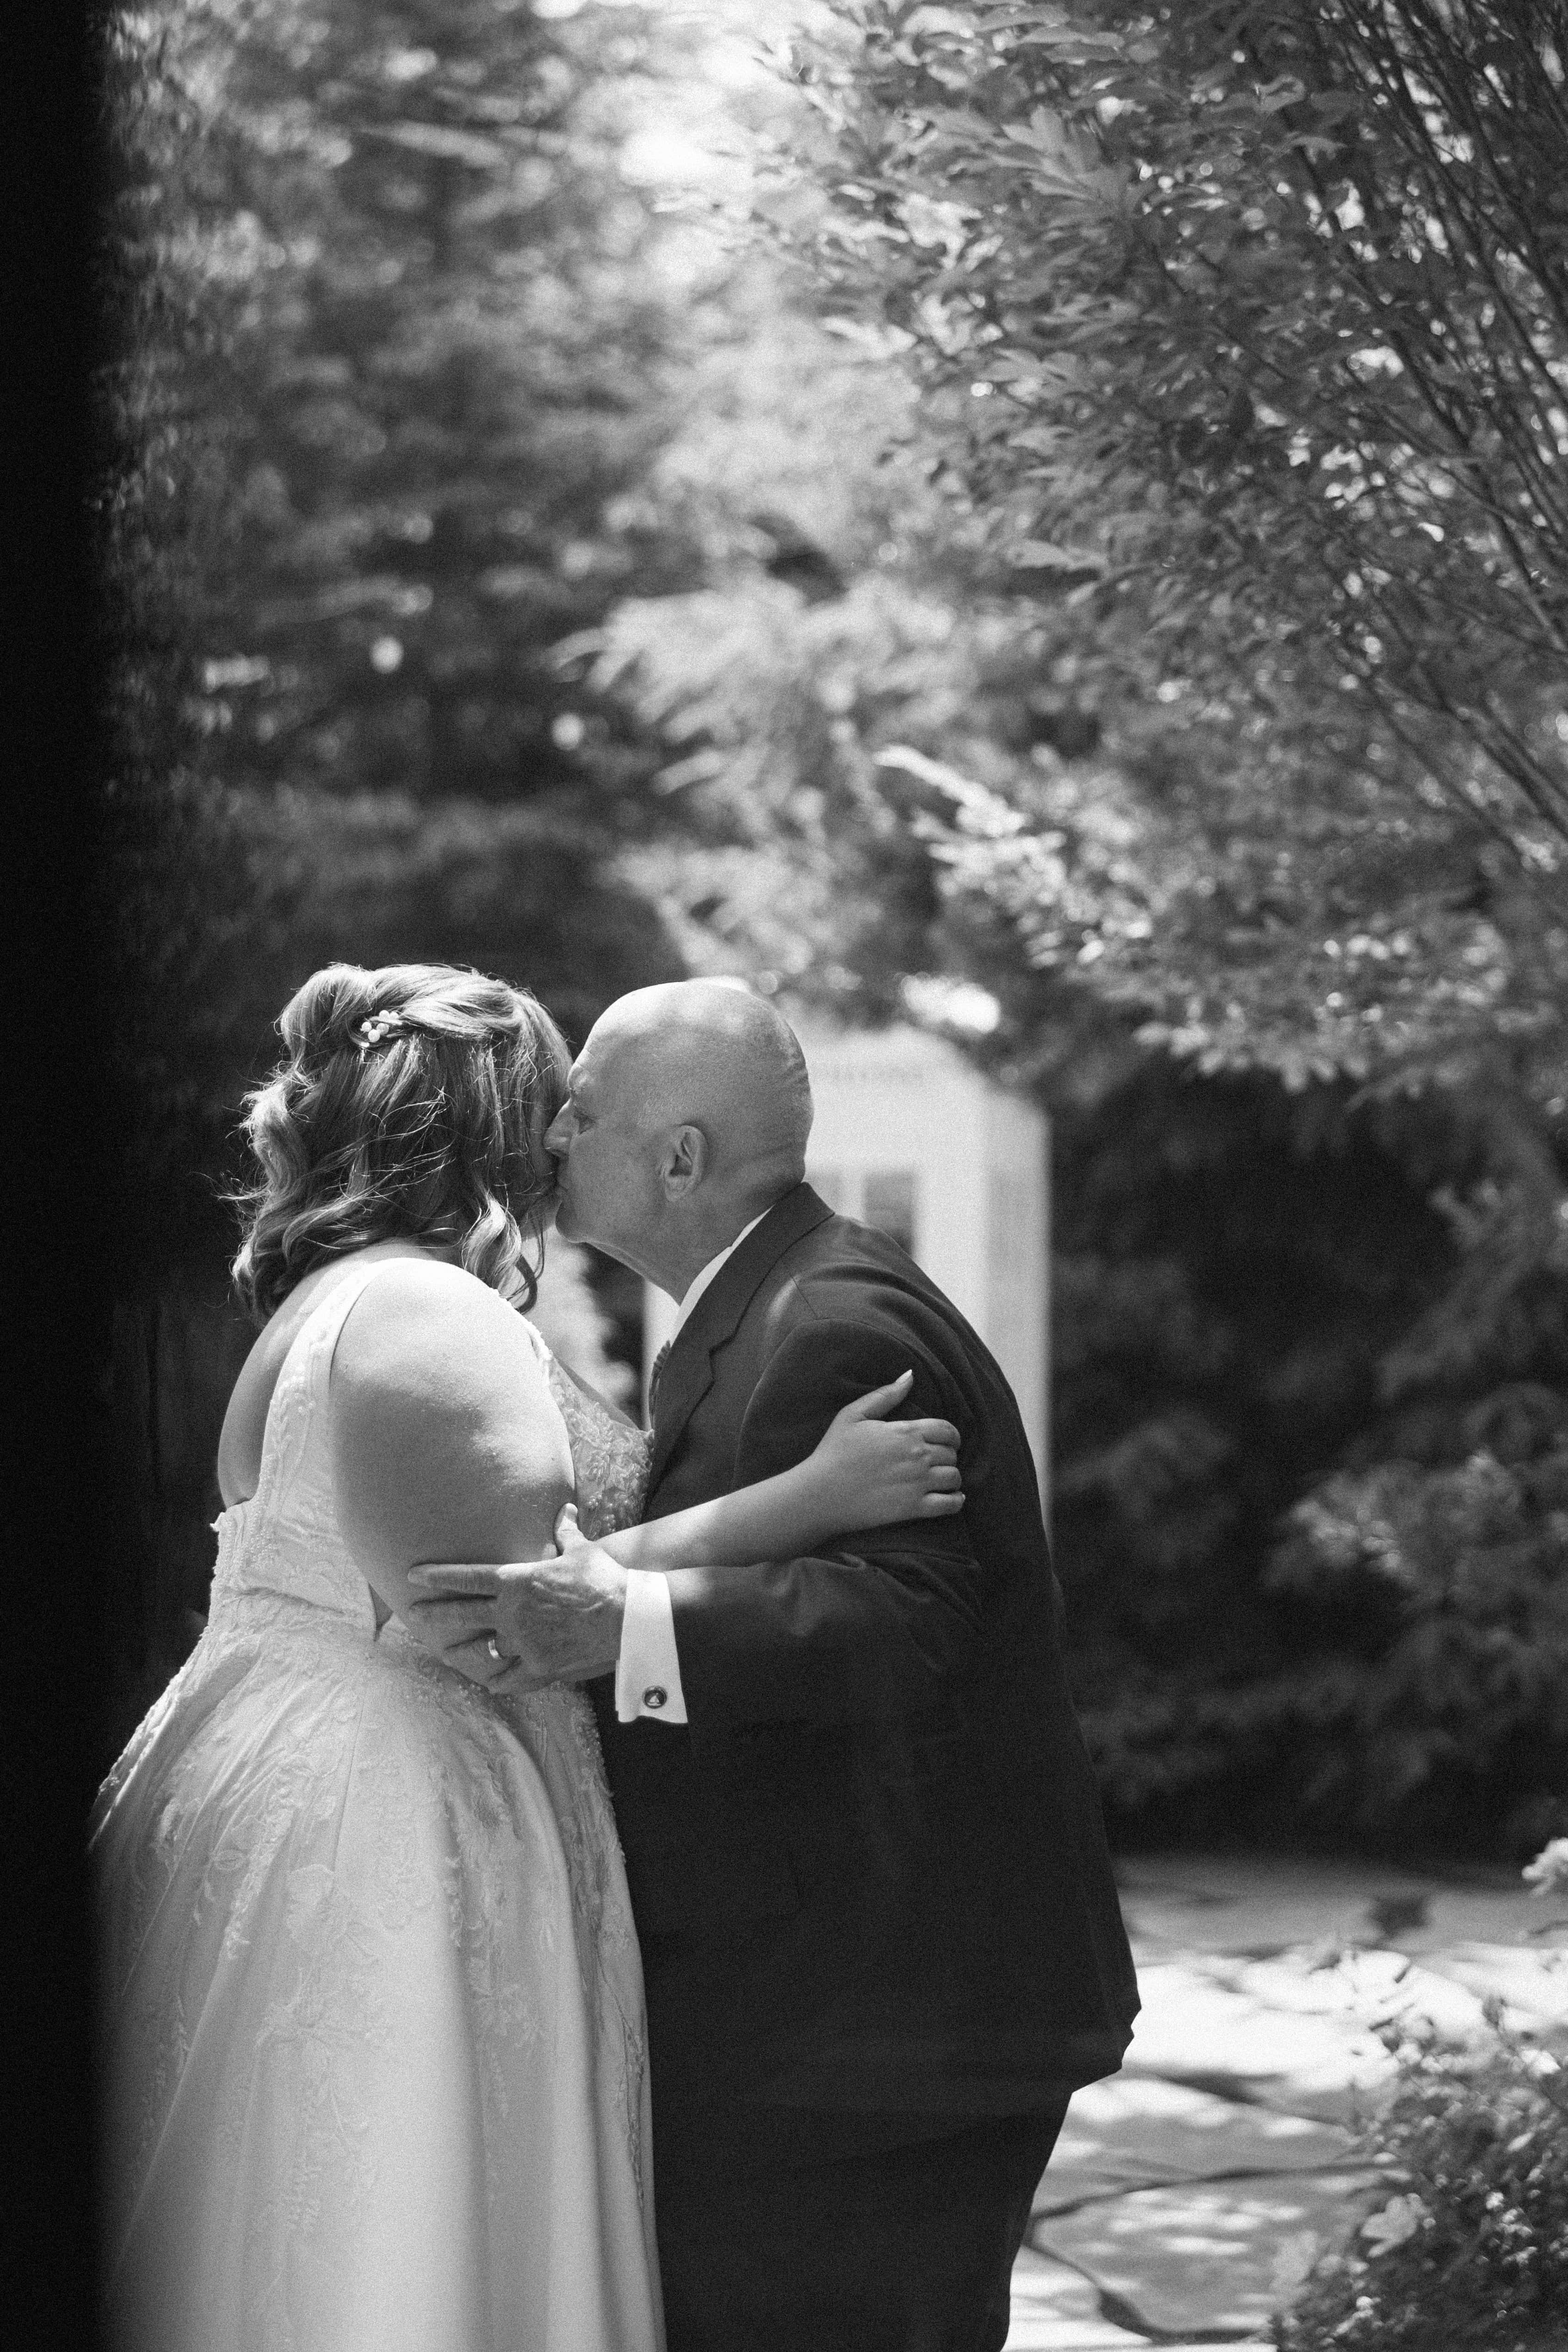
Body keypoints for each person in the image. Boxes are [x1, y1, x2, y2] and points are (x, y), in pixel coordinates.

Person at [91, 962, 967, 2352]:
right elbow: (509, 1616)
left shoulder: (341, 1302)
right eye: (553, 1111)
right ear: (495, 1133)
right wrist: (809, 1500)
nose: (564, 1143)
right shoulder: (427, 1318)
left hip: (295, 1767)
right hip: (391, 1823)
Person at [408, 978, 1141, 2352]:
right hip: (835, 2028)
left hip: (883, 2049)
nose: (551, 1137)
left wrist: (614, 1628)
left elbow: (907, 1623)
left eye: (583, 1112)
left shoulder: (836, 1325)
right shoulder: (763, 1302)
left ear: (679, 1157)